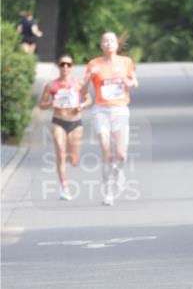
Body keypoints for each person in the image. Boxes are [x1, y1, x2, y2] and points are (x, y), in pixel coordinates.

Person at [81, 32, 138, 206]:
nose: (108, 43)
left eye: (111, 40)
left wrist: (130, 83)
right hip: (101, 111)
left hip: (120, 110)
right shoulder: (94, 64)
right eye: (105, 41)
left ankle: (118, 171)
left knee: (121, 155)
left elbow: (134, 81)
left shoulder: (126, 62)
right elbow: (83, 91)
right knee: (106, 152)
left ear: (116, 44)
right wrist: (89, 78)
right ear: (101, 44)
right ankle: (108, 193)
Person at [39, 55, 91, 200]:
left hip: (75, 122)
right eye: (62, 64)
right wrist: (50, 104)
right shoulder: (51, 85)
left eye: (68, 64)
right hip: (58, 121)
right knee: (61, 154)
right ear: (58, 66)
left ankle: (71, 156)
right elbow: (41, 105)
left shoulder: (78, 83)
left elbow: (88, 99)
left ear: (72, 66)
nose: (65, 67)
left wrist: (81, 106)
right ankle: (64, 187)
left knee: (74, 160)